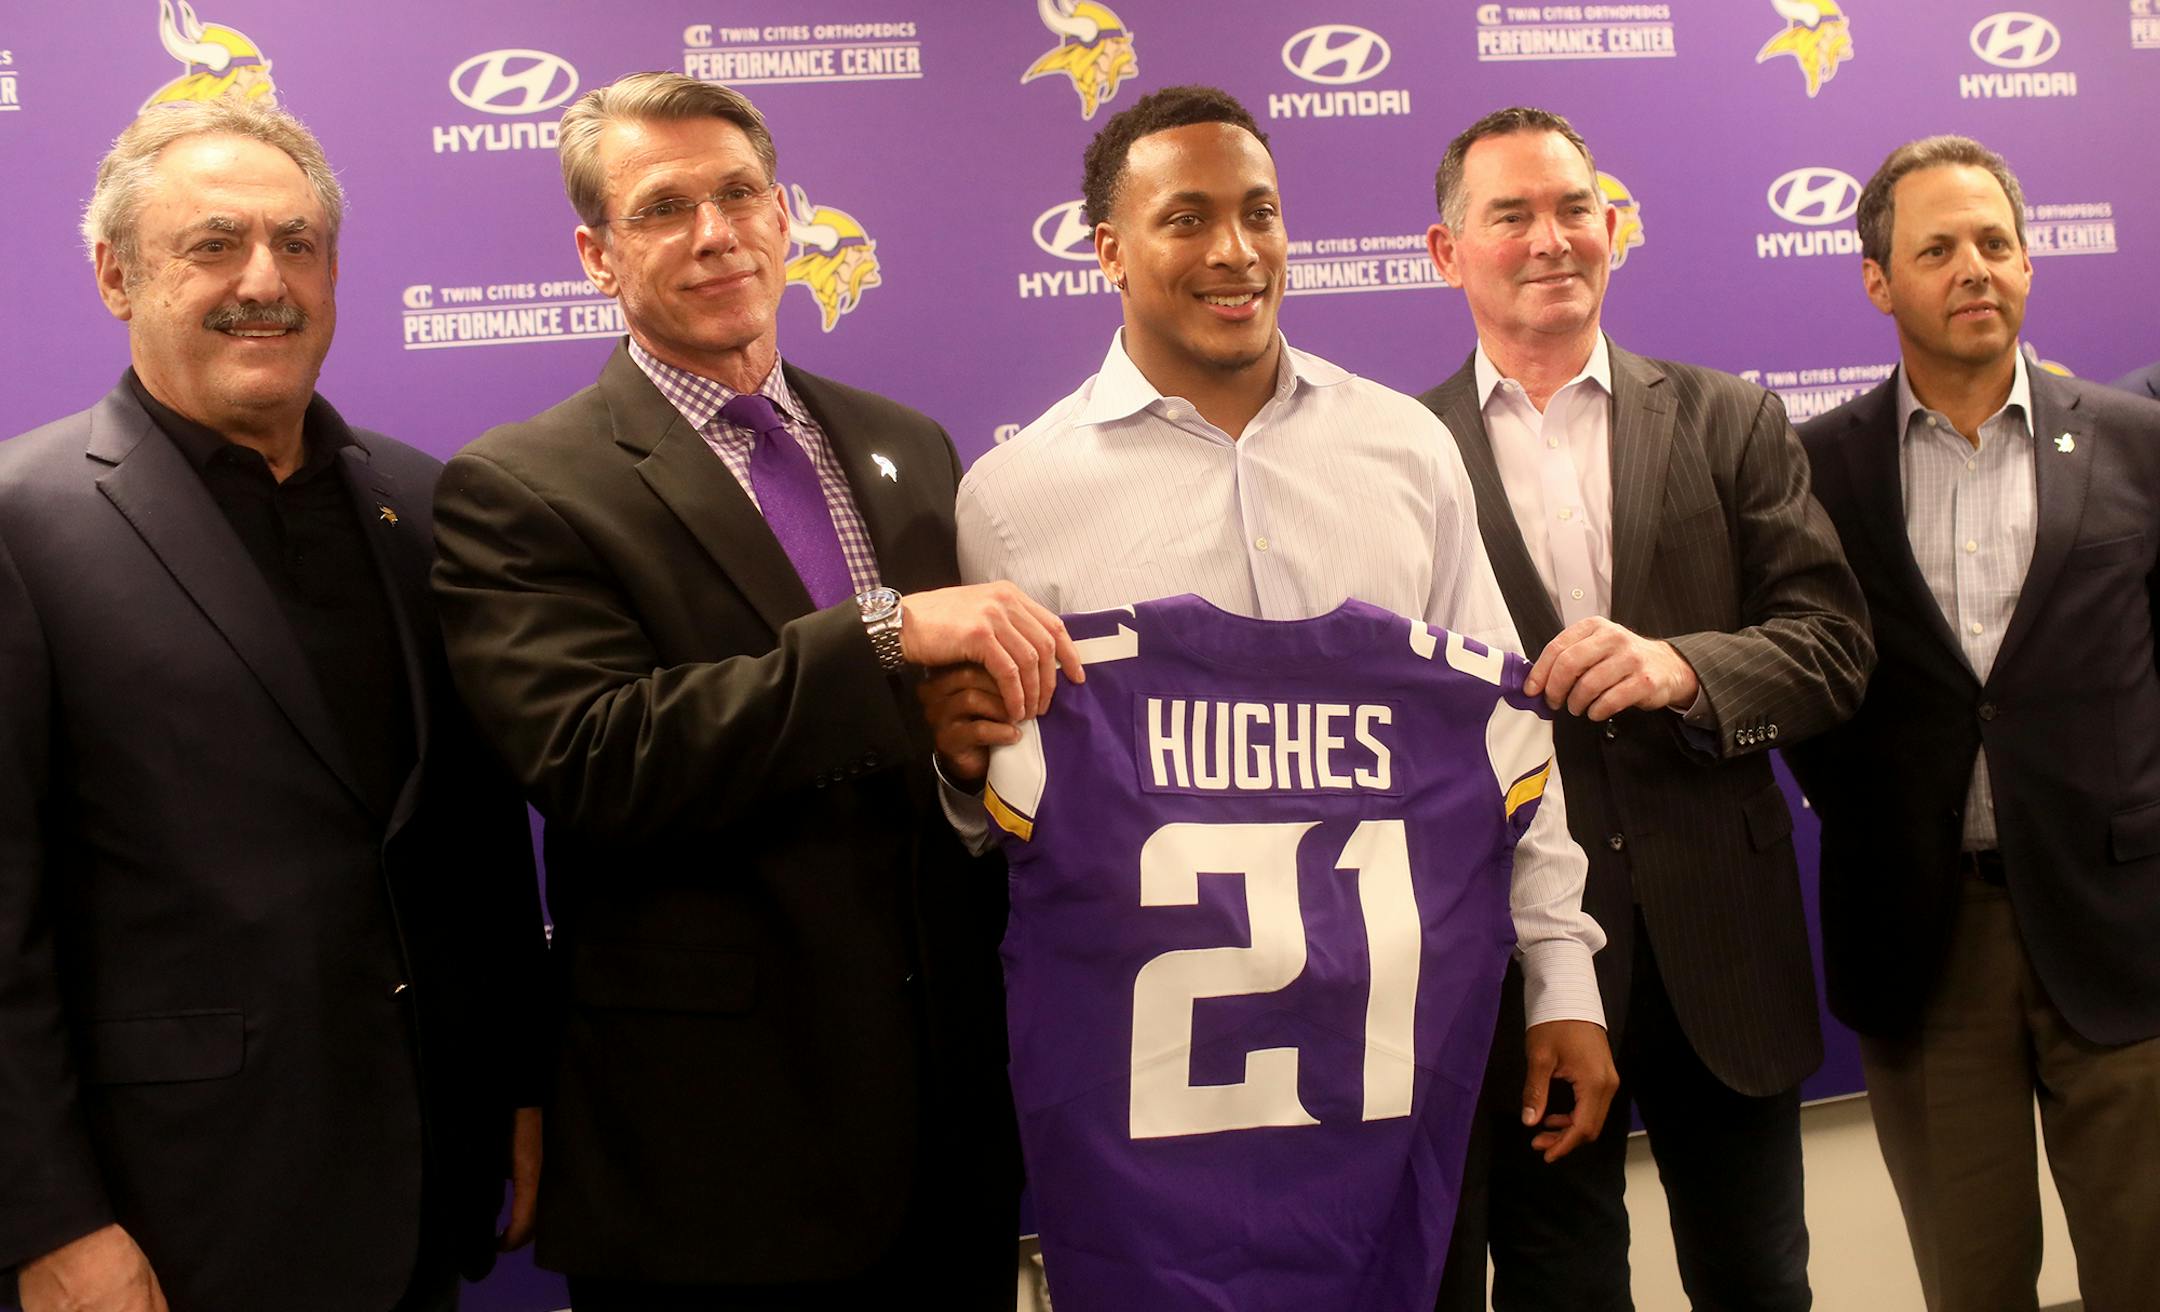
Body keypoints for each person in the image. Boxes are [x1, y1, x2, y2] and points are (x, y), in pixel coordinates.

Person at [926, 84, 1617, 1302]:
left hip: (1396, 1079)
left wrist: (1562, 971)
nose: (1236, 251)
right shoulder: (1013, 495)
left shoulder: (1406, 450)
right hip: (1153, 1126)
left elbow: (1506, 737)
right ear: (1110, 250)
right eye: (1186, 219)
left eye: (1260, 213)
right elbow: (1003, 806)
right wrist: (961, 765)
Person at [427, 72, 1077, 1310]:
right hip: (713, 1168)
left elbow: (930, 746)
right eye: (665, 207)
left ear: (788, 216)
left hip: (944, 1143)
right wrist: (881, 631)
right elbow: (595, 756)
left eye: (739, 194)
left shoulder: (907, 444)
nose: (715, 232)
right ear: (596, 254)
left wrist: (954, 758)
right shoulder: (522, 486)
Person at [0, 97, 545, 1312]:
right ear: (113, 274)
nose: (267, 280)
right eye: (215, 244)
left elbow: (474, 841)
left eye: (298, 244)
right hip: (170, 1218)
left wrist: (512, 1082)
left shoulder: (427, 501)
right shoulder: (19, 524)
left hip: (420, 1189)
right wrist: (44, 1216)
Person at [1419, 106, 1872, 1312]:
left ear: (1615, 225)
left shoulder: (1730, 419)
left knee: (1761, 1279)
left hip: (1724, 950)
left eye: (1576, 207)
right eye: (1510, 214)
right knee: (1563, 1288)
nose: (1551, 237)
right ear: (1445, 249)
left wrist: (1685, 668)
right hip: (1518, 965)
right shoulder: (1398, 457)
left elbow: (1833, 649)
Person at [1788, 134, 2160, 1312]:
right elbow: (1807, 689)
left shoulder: (2137, 442)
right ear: (1876, 279)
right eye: (1937, 247)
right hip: (1925, 940)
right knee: (1973, 1282)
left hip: (2121, 936)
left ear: (2030, 262)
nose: (1973, 269)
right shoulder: (1812, 468)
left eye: (1995, 242)